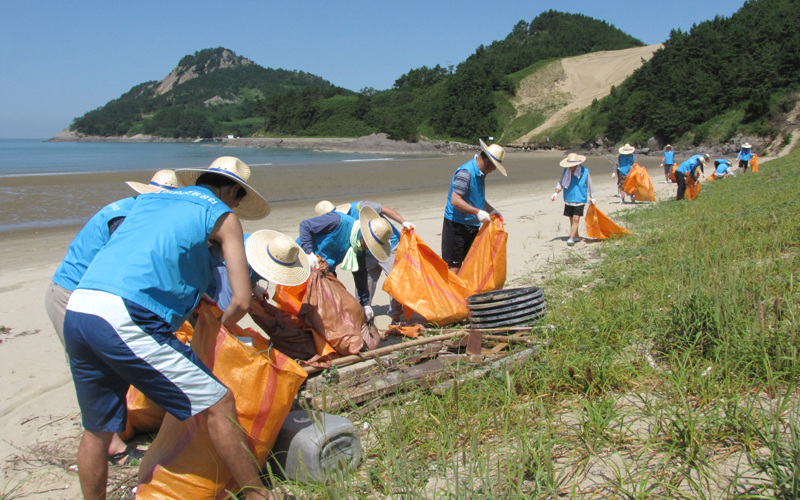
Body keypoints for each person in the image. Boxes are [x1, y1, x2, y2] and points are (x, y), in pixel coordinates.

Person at [62, 156, 271, 500]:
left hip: (80, 307)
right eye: (238, 199)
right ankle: (257, 495)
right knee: (219, 403)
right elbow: (242, 301)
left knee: (97, 431)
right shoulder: (222, 215)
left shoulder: (150, 200)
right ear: (233, 190)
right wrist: (218, 326)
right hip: (126, 316)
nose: (236, 205)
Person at [44, 169, 181, 464]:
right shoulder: (124, 219)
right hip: (72, 295)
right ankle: (112, 445)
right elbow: (127, 268)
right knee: (97, 369)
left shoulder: (130, 209)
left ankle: (111, 432)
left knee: (107, 367)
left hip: (87, 295)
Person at [314, 200, 414, 322]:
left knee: (395, 281)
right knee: (365, 283)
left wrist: (404, 222)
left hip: (389, 247)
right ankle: (363, 312)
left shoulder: (359, 207)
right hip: (366, 252)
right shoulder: (336, 225)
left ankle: (396, 315)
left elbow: (386, 210)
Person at [298, 206, 393, 322]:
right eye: (370, 244)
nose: (369, 249)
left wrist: (365, 303)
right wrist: (308, 252)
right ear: (364, 236)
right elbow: (305, 225)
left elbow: (360, 273)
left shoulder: (358, 247)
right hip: (303, 259)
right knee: (299, 305)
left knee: (329, 306)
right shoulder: (337, 221)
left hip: (325, 268)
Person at [442, 139, 507, 273]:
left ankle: (462, 291)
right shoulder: (466, 173)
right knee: (454, 265)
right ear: (488, 162)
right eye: (494, 166)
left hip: (471, 225)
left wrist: (492, 210)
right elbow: (455, 200)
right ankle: (449, 293)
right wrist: (477, 212)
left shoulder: (481, 174)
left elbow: (477, 197)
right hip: (456, 225)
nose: (494, 169)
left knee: (469, 262)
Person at [551, 153, 596, 246]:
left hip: (580, 198)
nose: (571, 167)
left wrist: (592, 197)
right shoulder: (566, 172)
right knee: (571, 219)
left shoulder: (585, 171)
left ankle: (571, 239)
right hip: (569, 198)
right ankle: (577, 236)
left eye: (572, 165)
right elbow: (561, 183)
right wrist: (556, 192)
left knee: (576, 219)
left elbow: (589, 184)